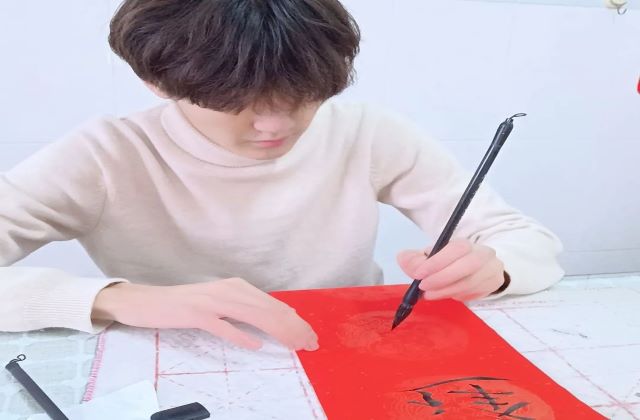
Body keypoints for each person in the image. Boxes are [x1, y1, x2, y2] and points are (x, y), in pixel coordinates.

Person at [0, 0, 563, 351]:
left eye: (303, 96)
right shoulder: (105, 155)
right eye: (233, 101)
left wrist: (496, 267)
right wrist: (119, 299)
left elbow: (525, 239)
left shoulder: (367, 132)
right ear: (156, 82)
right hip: (177, 361)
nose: (274, 125)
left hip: (348, 347)